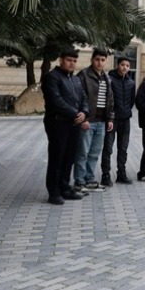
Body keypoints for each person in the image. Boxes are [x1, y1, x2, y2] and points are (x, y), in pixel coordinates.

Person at [41, 49, 89, 205]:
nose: (72, 63)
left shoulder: (75, 80)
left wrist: (84, 113)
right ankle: (54, 192)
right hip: (57, 123)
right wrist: (76, 114)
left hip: (73, 124)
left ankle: (65, 187)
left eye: (75, 61)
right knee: (57, 157)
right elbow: (56, 101)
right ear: (61, 60)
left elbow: (84, 98)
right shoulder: (51, 78)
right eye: (69, 60)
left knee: (69, 158)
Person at [73, 49, 114, 192]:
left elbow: (110, 100)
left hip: (102, 122)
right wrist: (82, 118)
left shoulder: (106, 78)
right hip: (88, 121)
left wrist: (110, 118)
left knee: (94, 153)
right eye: (97, 59)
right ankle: (79, 181)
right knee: (82, 152)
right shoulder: (83, 75)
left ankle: (89, 179)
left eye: (103, 60)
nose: (100, 62)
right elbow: (77, 98)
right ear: (92, 60)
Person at [101, 56, 135, 185]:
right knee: (108, 148)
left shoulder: (131, 82)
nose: (125, 67)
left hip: (125, 120)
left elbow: (132, 101)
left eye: (127, 65)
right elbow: (106, 100)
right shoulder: (110, 80)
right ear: (117, 65)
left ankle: (121, 174)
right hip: (112, 119)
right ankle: (105, 175)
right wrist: (111, 115)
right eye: (122, 65)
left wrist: (126, 112)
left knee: (123, 148)